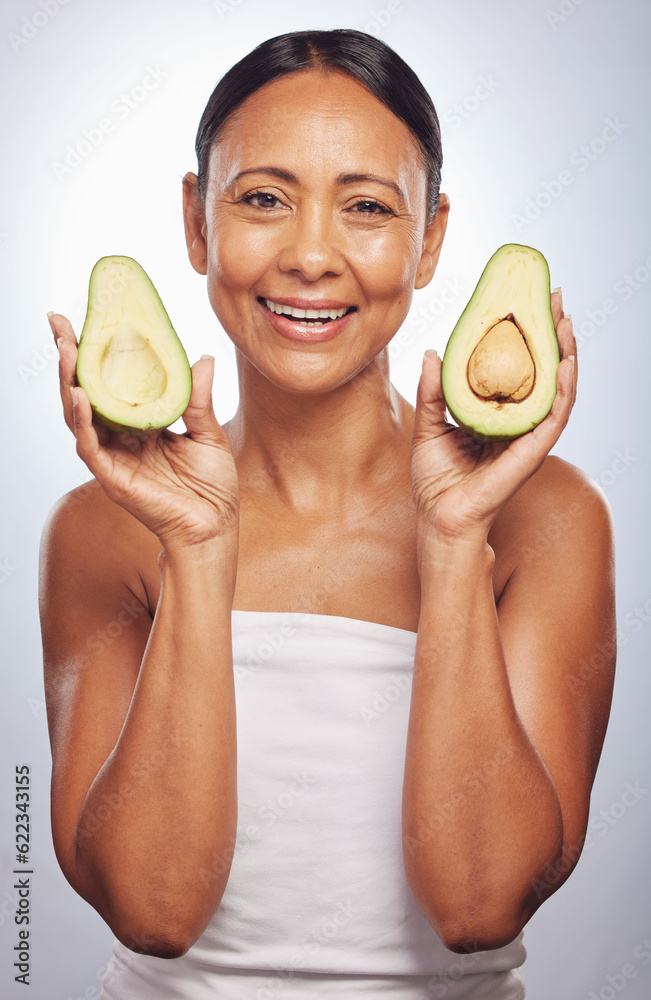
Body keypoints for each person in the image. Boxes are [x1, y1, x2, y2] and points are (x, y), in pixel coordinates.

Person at [40, 28, 616, 1000]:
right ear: (196, 221)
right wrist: (196, 546)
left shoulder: (547, 516)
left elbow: (480, 906)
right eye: (263, 198)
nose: (311, 255)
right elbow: (154, 910)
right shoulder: (104, 527)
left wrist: (454, 534)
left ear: (430, 237)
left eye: (367, 208)